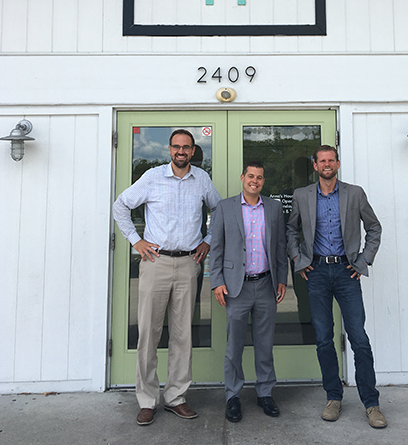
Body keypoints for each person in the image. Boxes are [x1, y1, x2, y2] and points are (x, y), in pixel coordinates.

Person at [113, 129, 222, 427]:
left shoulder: (202, 179)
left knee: (182, 334)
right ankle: (147, 400)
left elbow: (220, 211)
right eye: (176, 146)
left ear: (193, 150)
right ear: (170, 149)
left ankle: (176, 397)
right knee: (148, 334)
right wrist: (136, 241)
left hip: (188, 263)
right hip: (155, 263)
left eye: (186, 147)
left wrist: (208, 240)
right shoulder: (152, 177)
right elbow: (120, 206)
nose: (181, 151)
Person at [287, 145, 387, 429]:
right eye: (322, 161)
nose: (327, 164)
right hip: (316, 272)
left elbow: (374, 228)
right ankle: (334, 397)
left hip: (347, 272)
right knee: (323, 338)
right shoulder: (302, 195)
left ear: (337, 164)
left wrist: (363, 261)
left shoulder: (354, 193)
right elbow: (291, 230)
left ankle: (372, 403)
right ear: (315, 165)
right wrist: (298, 258)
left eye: (331, 160)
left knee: (358, 338)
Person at [210, 161, 287, 423]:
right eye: (250, 176)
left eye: (260, 177)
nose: (255, 181)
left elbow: (280, 247)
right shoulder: (225, 207)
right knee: (234, 346)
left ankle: (265, 392)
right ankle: (233, 396)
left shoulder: (274, 208)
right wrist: (216, 281)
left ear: (264, 181)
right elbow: (217, 248)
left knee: (265, 344)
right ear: (242, 177)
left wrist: (282, 280)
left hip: (266, 285)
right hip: (235, 287)